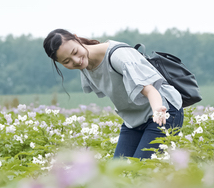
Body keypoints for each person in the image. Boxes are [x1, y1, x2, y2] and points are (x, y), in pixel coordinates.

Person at [43, 29, 184, 159]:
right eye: (67, 61)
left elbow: (150, 90)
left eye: (74, 52)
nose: (76, 61)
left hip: (162, 111)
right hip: (133, 120)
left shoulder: (117, 56)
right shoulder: (85, 64)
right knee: (119, 174)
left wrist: (157, 109)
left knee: (141, 172)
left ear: (76, 39)